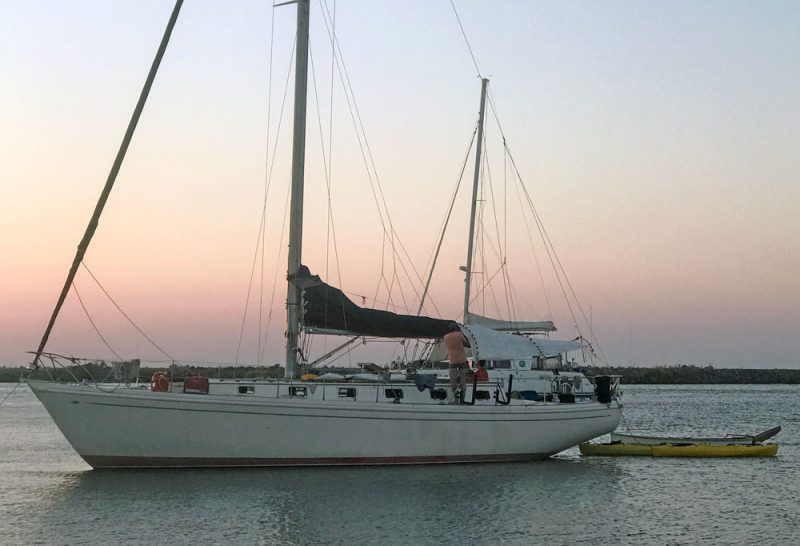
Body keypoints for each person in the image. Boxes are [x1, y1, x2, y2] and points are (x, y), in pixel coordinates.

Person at [443, 323, 468, 403]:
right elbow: (466, 343)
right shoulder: (459, 334)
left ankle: (456, 399)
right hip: (462, 360)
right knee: (463, 382)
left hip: (452, 361)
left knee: (453, 382)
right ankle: (463, 400)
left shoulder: (445, 337)